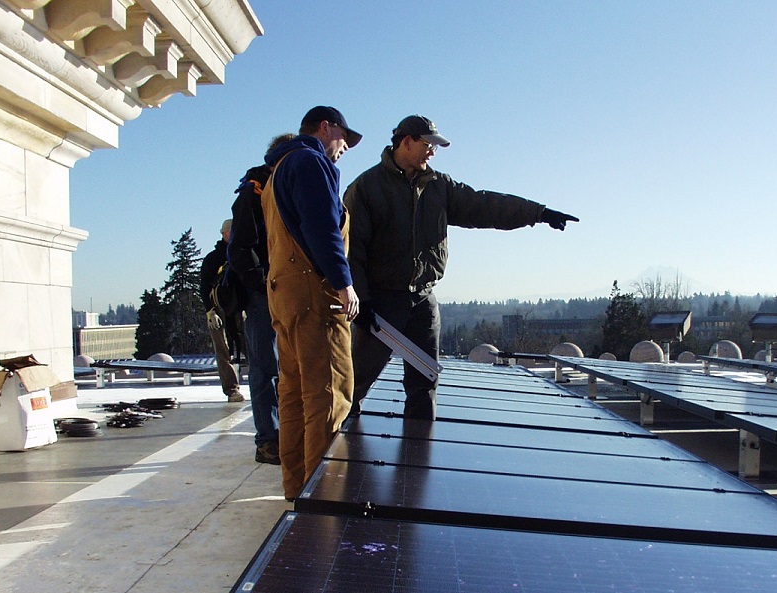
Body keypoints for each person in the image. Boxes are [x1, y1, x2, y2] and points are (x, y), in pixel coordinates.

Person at [344, 115, 578, 420]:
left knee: (425, 381)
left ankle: (417, 459)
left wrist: (538, 213)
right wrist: (362, 302)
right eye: (428, 145)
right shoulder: (366, 188)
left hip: (423, 302)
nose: (432, 152)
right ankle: (333, 457)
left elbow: (484, 205)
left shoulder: (439, 187)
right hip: (381, 303)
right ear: (406, 142)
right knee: (354, 383)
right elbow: (351, 249)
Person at [260, 106, 362, 500]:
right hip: (313, 296)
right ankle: (322, 499)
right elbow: (322, 229)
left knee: (294, 392)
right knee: (329, 392)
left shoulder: (276, 171)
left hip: (283, 296)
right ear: (325, 128)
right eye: (344, 139)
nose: (344, 148)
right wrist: (343, 283)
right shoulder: (310, 162)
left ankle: (296, 486)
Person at [228, 134, 293, 465]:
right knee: (265, 366)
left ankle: (286, 434)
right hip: (264, 294)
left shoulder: (287, 186)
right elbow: (241, 247)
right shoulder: (255, 190)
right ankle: (268, 438)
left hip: (286, 289)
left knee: (286, 367)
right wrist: (264, 283)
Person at [198, 219, 244, 403]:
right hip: (219, 309)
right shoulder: (213, 259)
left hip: (241, 309)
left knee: (252, 347)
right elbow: (204, 287)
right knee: (223, 351)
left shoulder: (242, 254)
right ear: (224, 234)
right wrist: (210, 311)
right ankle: (231, 389)